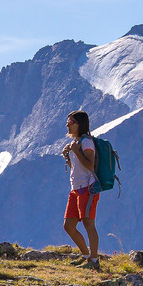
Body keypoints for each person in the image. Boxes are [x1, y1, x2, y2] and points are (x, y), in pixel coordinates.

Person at [61, 110, 101, 267]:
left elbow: (89, 165)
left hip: (88, 188)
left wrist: (77, 151)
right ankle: (86, 255)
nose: (67, 125)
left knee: (88, 223)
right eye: (67, 122)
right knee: (68, 225)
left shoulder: (86, 142)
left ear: (80, 124)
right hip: (75, 188)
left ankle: (94, 260)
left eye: (71, 123)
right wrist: (68, 156)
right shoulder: (76, 143)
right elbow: (76, 168)